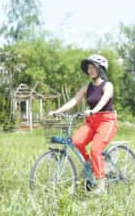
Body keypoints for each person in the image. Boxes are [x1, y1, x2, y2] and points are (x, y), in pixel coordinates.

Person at [50, 53, 117, 195]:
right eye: (88, 68)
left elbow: (105, 99)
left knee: (96, 150)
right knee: (75, 141)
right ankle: (90, 166)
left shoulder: (108, 85)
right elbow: (74, 101)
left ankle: (101, 185)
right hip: (91, 122)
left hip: (106, 121)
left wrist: (94, 110)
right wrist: (57, 111)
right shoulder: (87, 87)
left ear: (101, 69)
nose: (90, 70)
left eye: (93, 67)